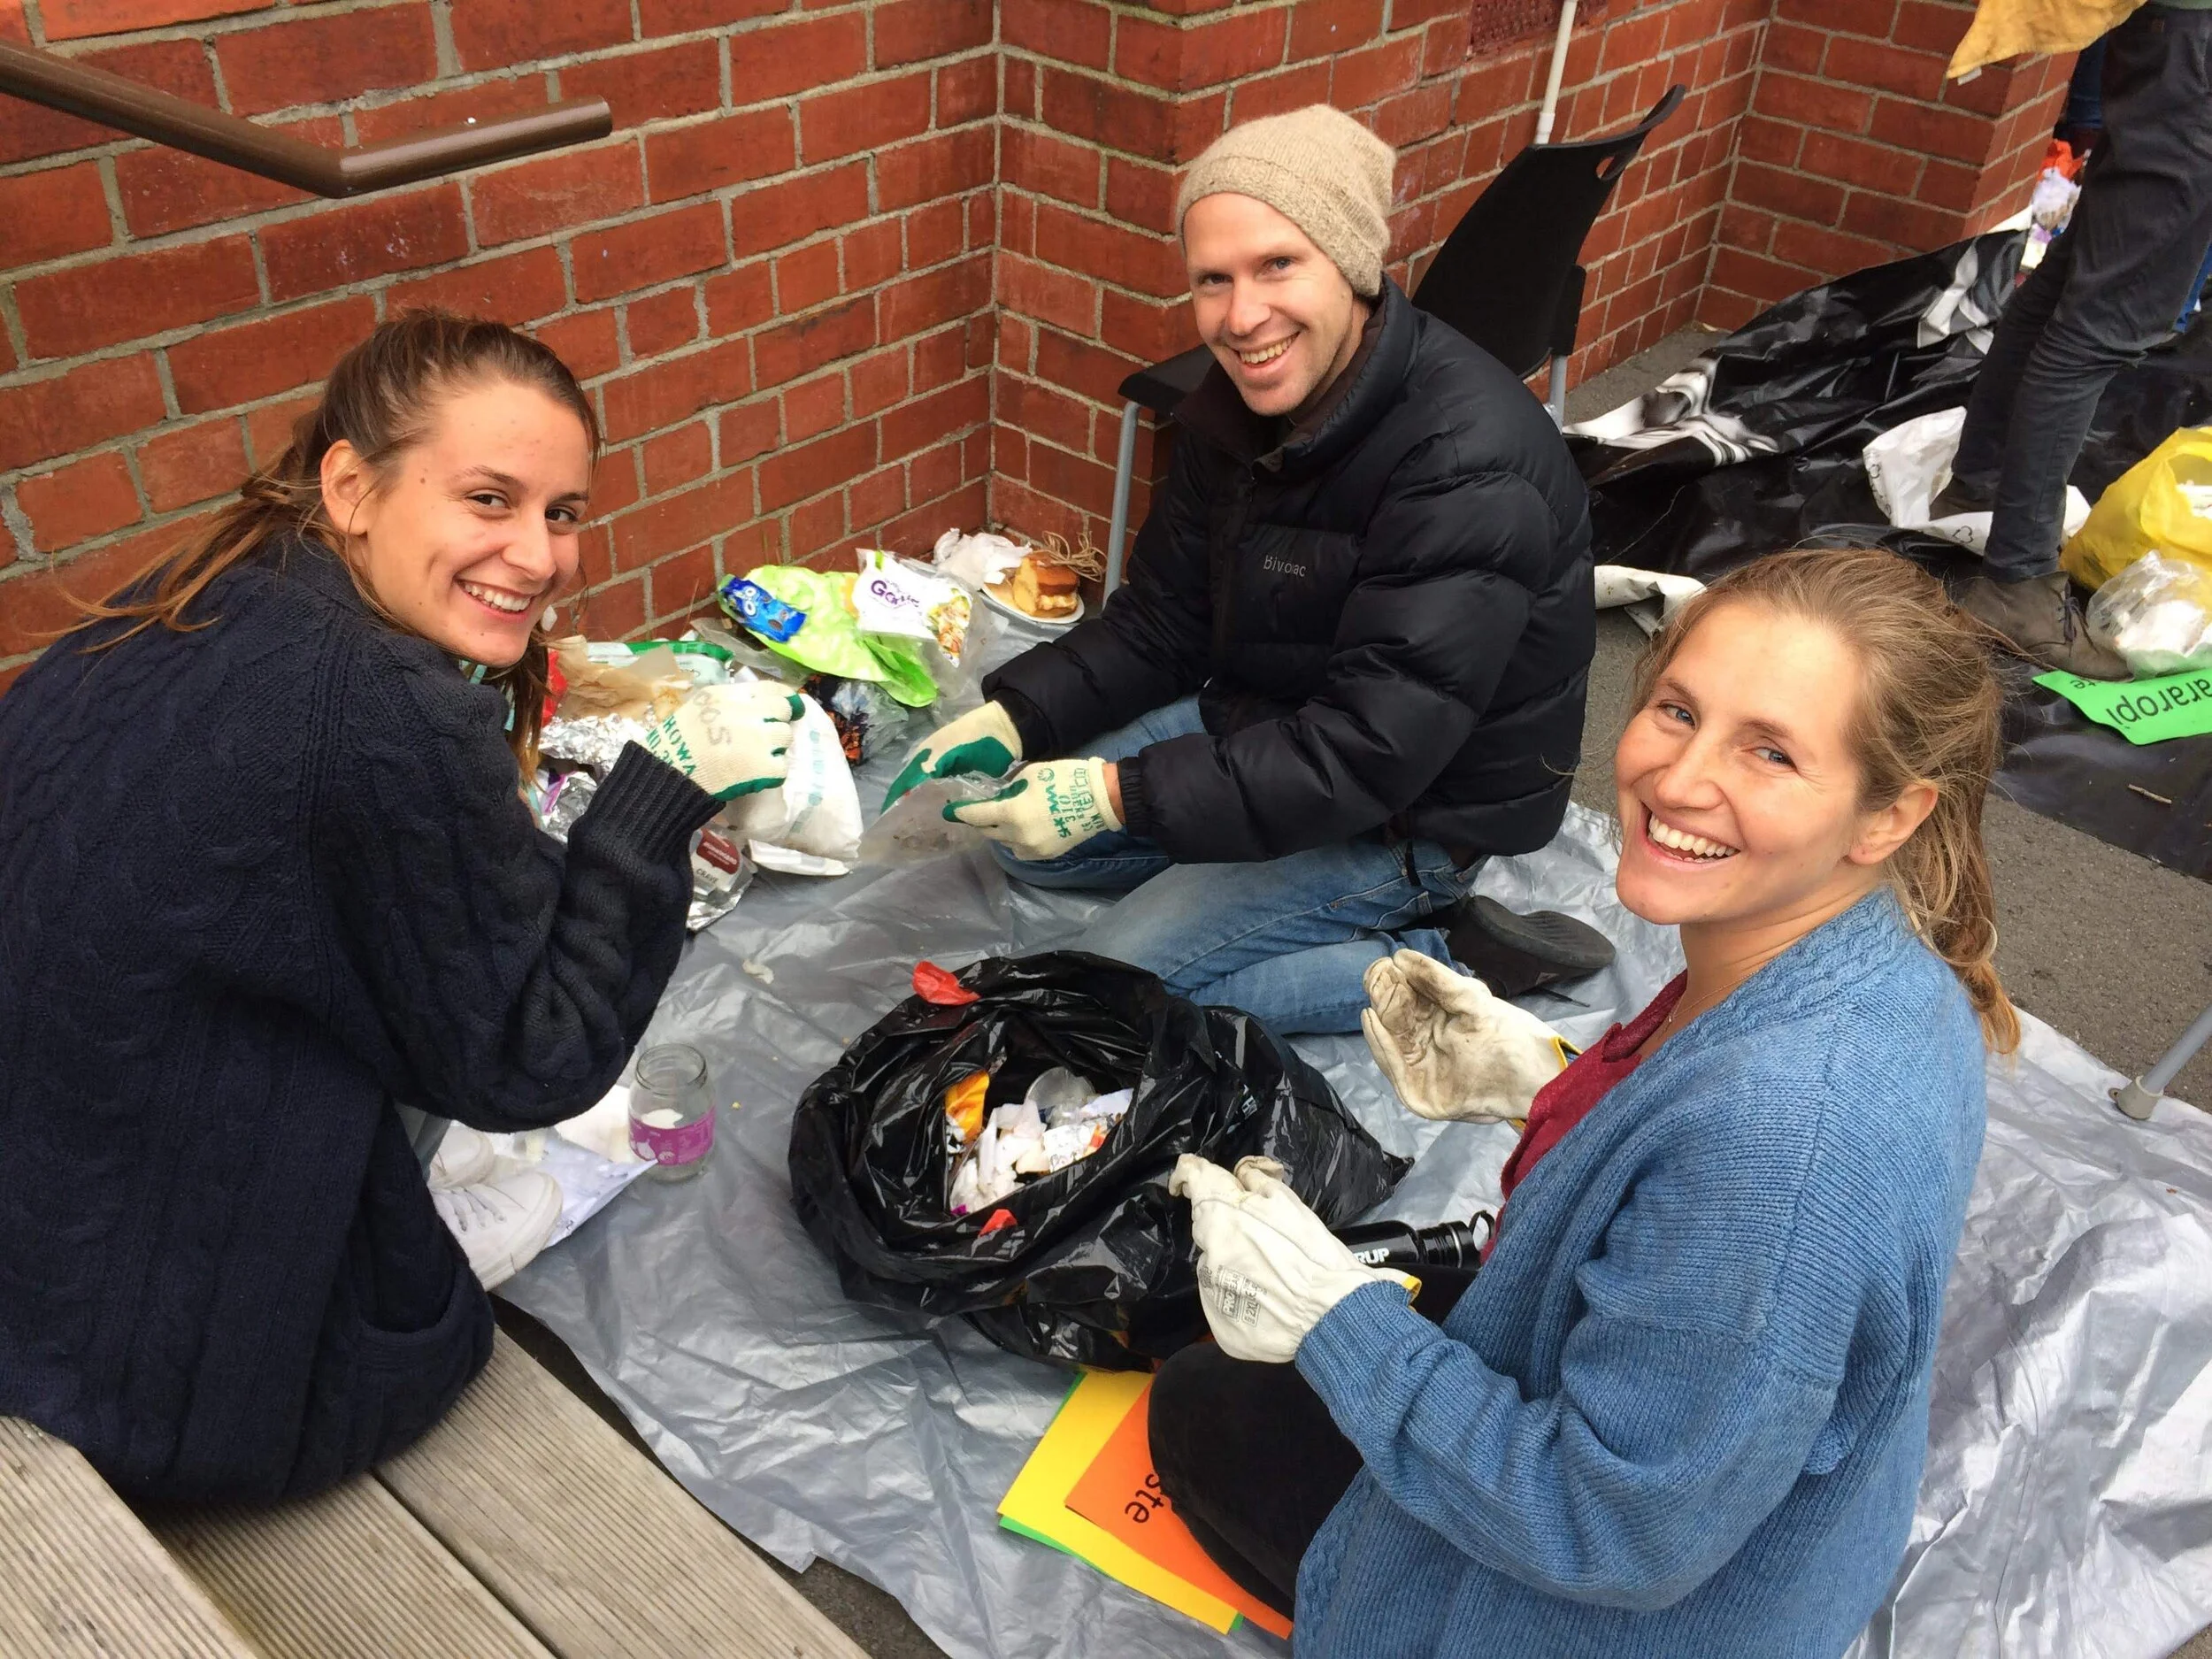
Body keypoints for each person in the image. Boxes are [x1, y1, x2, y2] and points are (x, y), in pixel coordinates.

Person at [1150, 547, 2011, 1656]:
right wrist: (1560, 1087)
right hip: (1749, 1509)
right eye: (1678, 711)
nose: (1679, 781)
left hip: (1617, 1606)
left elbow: (1613, 1529)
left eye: (1770, 752)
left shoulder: (1781, 1143)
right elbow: (1706, 1171)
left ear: (1886, 816)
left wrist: (1333, 1320)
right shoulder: (1877, 961)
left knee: (1202, 1407)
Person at [0, 312, 798, 1504]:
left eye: (562, 512)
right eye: (489, 499)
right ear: (351, 486)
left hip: (43, 1205)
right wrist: (657, 803)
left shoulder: (217, 583)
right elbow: (532, 1058)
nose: (539, 555)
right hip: (150, 1354)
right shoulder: (381, 707)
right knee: (427, 1301)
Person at [884, 104, 1602, 1034]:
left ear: (1350, 264)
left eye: (1277, 265)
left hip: (1413, 810)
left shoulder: (1464, 463)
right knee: (1026, 845)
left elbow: (1370, 752)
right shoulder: (1238, 405)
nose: (1241, 317)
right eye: (1212, 280)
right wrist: (1020, 713)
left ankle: (1448, 959)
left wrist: (1115, 794)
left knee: (1111, 986)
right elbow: (1164, 620)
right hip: (1277, 717)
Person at [1937, 1, 2212, 678]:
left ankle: (1983, 482)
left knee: (2071, 281)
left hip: (2179, 39)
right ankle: (2017, 584)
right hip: (2197, 53)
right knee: (2098, 329)